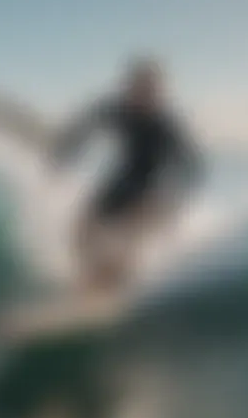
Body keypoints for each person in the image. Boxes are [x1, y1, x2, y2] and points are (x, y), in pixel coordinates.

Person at [51, 58, 206, 295]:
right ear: (130, 88)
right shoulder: (118, 110)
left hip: (153, 192)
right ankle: (89, 284)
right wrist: (66, 151)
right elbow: (86, 124)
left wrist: (177, 200)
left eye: (150, 90)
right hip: (123, 183)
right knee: (81, 231)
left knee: (129, 239)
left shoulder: (165, 125)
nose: (143, 95)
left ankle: (118, 286)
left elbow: (192, 163)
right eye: (138, 88)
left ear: (157, 92)